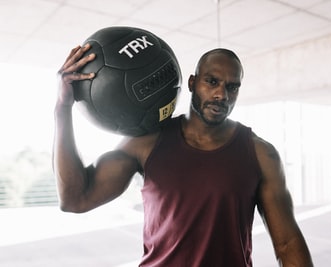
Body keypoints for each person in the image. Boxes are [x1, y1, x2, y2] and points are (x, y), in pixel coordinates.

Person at [54, 44, 313, 267]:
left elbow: (288, 243)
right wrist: (63, 108)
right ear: (192, 83)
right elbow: (75, 199)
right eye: (212, 81)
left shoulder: (260, 153)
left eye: (232, 87)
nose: (221, 94)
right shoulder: (147, 142)